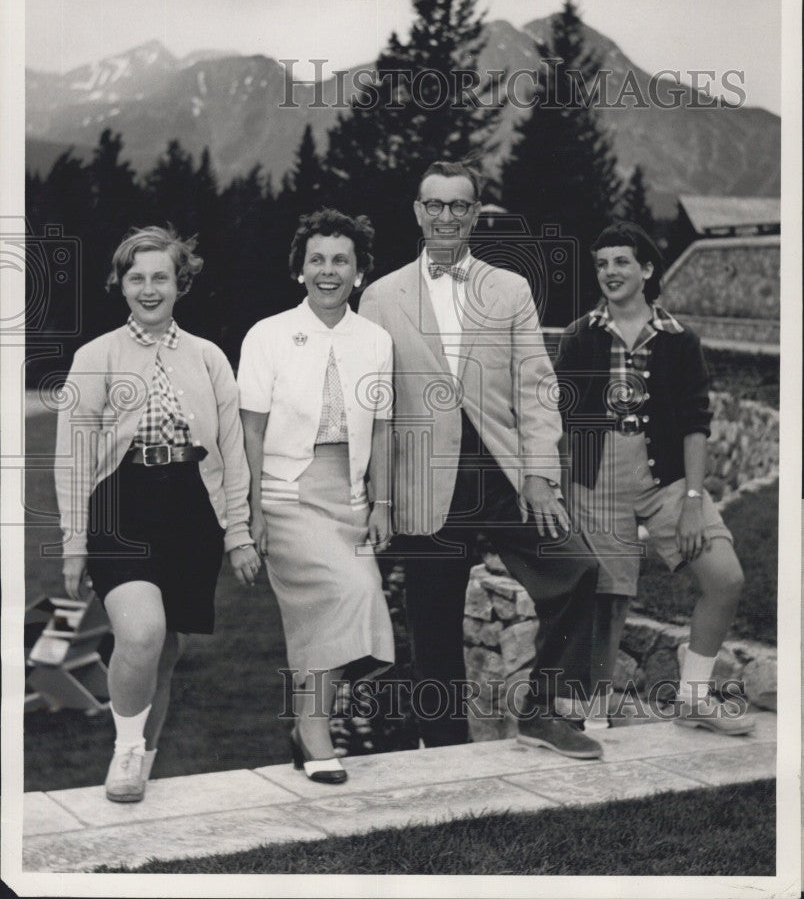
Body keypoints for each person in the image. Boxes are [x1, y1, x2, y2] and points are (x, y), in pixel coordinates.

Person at [359, 160, 602, 757]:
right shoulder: (380, 296)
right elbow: (370, 406)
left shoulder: (510, 289)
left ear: (474, 213)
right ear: (418, 211)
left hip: (504, 475)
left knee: (578, 570)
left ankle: (543, 713)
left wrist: (541, 475)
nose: (446, 216)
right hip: (424, 482)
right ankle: (441, 752)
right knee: (434, 625)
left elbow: (537, 389)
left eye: (459, 205)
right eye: (435, 205)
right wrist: (377, 497)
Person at [55, 226, 261, 803]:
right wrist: (75, 540)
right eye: (136, 277)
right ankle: (123, 748)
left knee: (165, 650)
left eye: (160, 277)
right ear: (120, 284)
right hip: (121, 504)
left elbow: (230, 449)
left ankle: (142, 760)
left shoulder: (209, 357)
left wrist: (238, 532)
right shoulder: (95, 357)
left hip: (193, 509)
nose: (148, 289)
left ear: (180, 283)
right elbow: (71, 457)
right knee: (141, 633)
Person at [554, 220, 755, 734]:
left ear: (645, 270)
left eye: (621, 262)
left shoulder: (679, 340)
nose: (610, 272)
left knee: (725, 577)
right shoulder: (580, 337)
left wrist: (692, 498)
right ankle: (594, 715)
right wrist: (565, 491)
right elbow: (561, 420)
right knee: (608, 597)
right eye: (601, 264)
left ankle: (693, 697)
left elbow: (695, 424)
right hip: (596, 479)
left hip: (664, 477)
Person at [238, 208, 395, 785]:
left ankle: (310, 727)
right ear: (299, 270)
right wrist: (249, 510)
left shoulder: (376, 341)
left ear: (359, 273)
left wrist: (383, 503)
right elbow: (248, 432)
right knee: (349, 592)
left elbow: (381, 428)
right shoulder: (267, 335)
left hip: (350, 498)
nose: (328, 271)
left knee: (331, 615)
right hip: (286, 496)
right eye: (317, 260)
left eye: (341, 261)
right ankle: (316, 730)